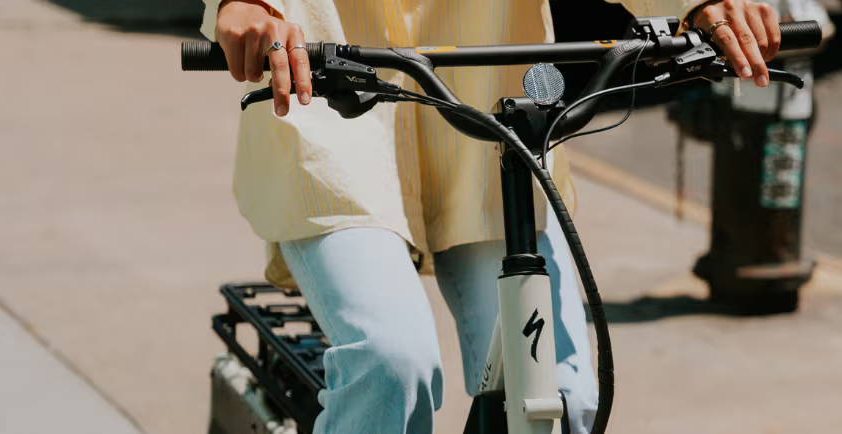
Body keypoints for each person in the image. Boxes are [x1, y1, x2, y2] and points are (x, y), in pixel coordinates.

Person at [199, 0, 782, 432]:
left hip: (491, 133)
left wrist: (701, 3)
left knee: (564, 400)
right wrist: (241, 5)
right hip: (331, 122)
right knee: (391, 364)